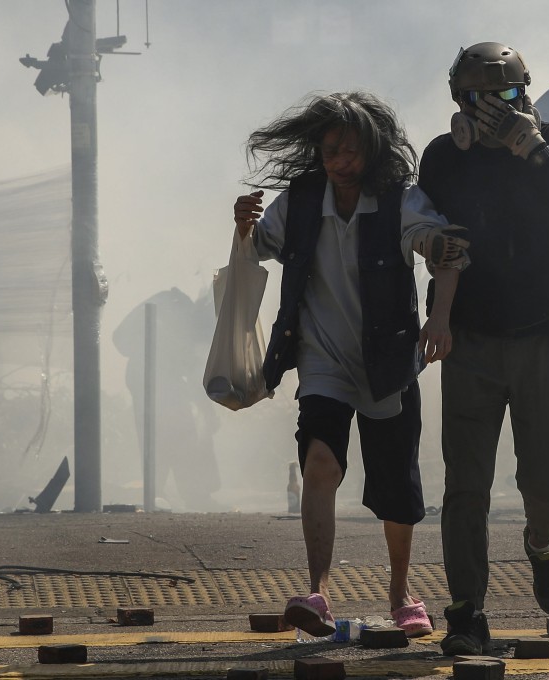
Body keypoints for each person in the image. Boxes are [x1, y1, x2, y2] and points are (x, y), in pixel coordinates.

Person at [231, 91, 467, 638]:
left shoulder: (398, 200)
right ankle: (318, 591)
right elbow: (255, 249)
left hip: (389, 361)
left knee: (396, 487)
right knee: (319, 462)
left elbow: (445, 245)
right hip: (323, 359)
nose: (340, 161)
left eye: (351, 150)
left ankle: (401, 591)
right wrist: (243, 224)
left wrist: (440, 315)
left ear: (373, 151)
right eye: (330, 149)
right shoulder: (301, 200)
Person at [410, 42, 549, 655]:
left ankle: (543, 544)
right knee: (465, 484)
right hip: (470, 339)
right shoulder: (444, 158)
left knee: (546, 477)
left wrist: (535, 151)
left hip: (545, 334)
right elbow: (441, 244)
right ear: (458, 102)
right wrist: (438, 312)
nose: (494, 110)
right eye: (478, 99)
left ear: (528, 93)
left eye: (509, 97)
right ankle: (466, 610)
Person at [113, 287, 222, 511]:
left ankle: (159, 494)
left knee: (162, 433)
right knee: (179, 431)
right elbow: (193, 374)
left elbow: (191, 371)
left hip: (147, 375)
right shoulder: (183, 316)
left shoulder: (178, 307)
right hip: (151, 375)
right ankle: (187, 495)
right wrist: (208, 412)